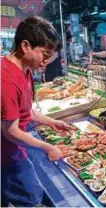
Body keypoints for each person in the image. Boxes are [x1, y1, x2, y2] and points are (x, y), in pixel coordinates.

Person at [1, 16, 70, 207]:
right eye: (44, 54)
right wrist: (48, 147)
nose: (45, 62)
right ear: (25, 46)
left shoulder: (25, 69)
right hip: (7, 153)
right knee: (31, 197)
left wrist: (52, 122)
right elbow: (11, 132)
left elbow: (26, 110)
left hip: (16, 146)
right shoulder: (6, 79)